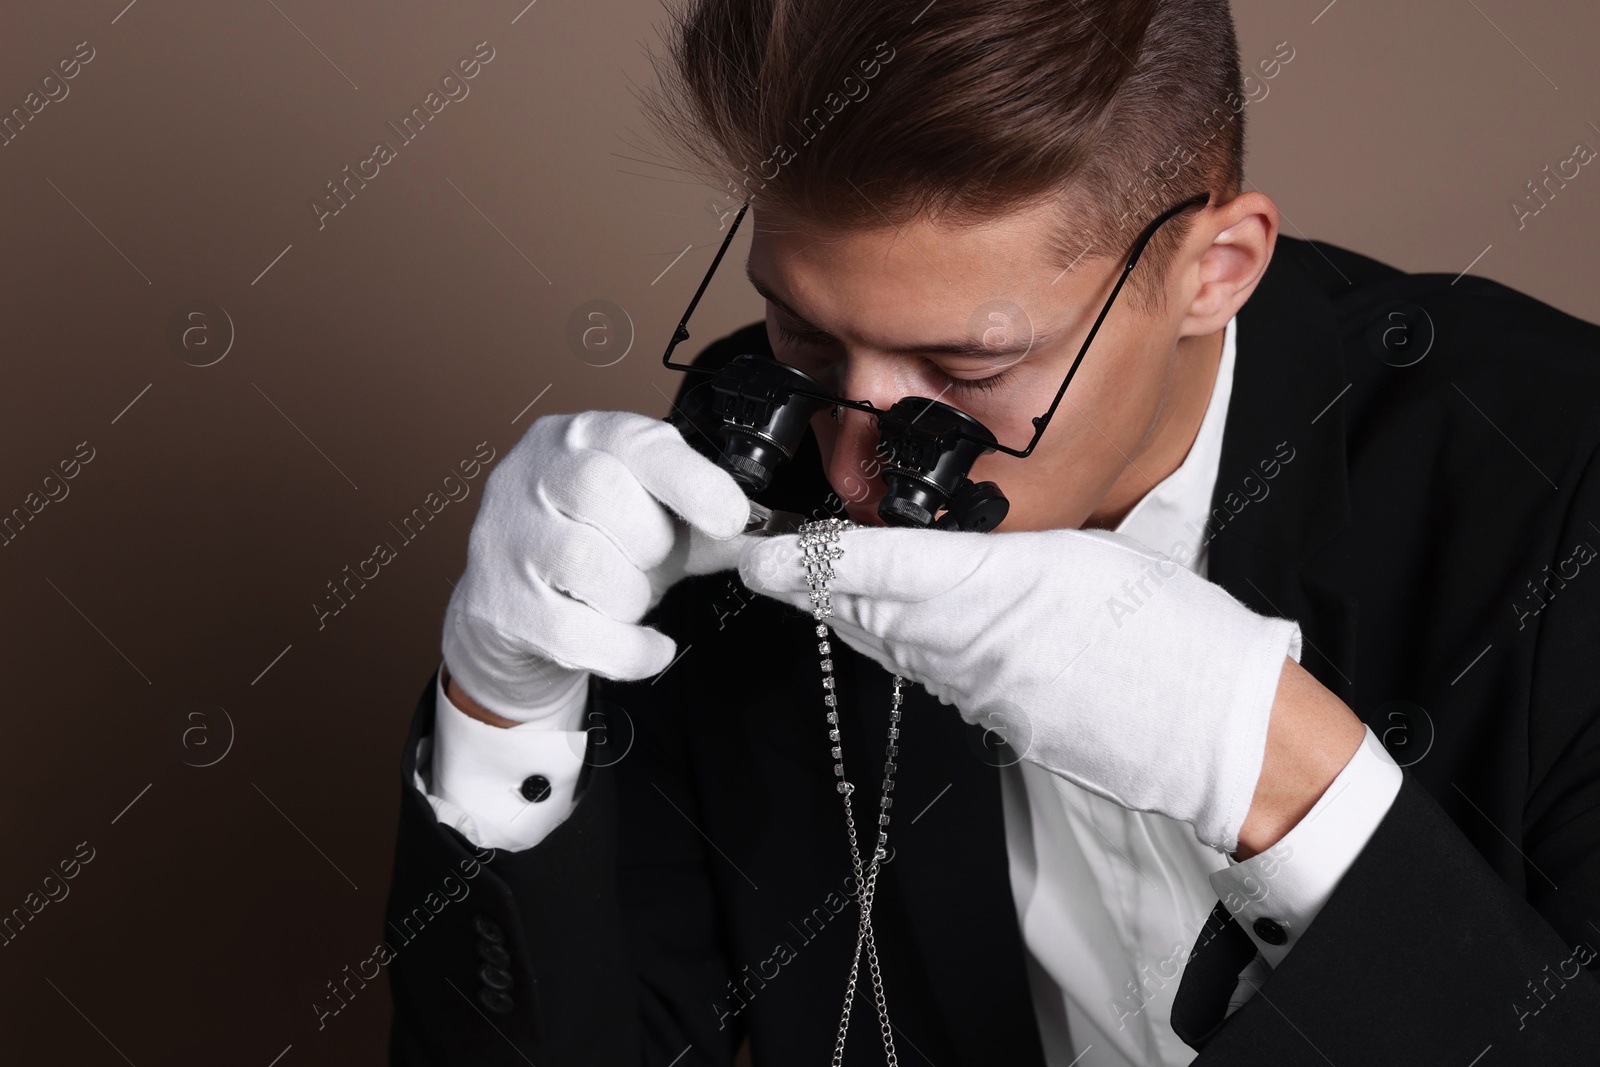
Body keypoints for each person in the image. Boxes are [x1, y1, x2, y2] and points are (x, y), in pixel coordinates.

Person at [383, 1, 1600, 1063]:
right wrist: (503, 714)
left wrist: (1289, 782)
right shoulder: (732, 477)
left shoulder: (1560, 485)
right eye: (803, 334)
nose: (853, 473)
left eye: (971, 362)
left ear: (1215, 267)